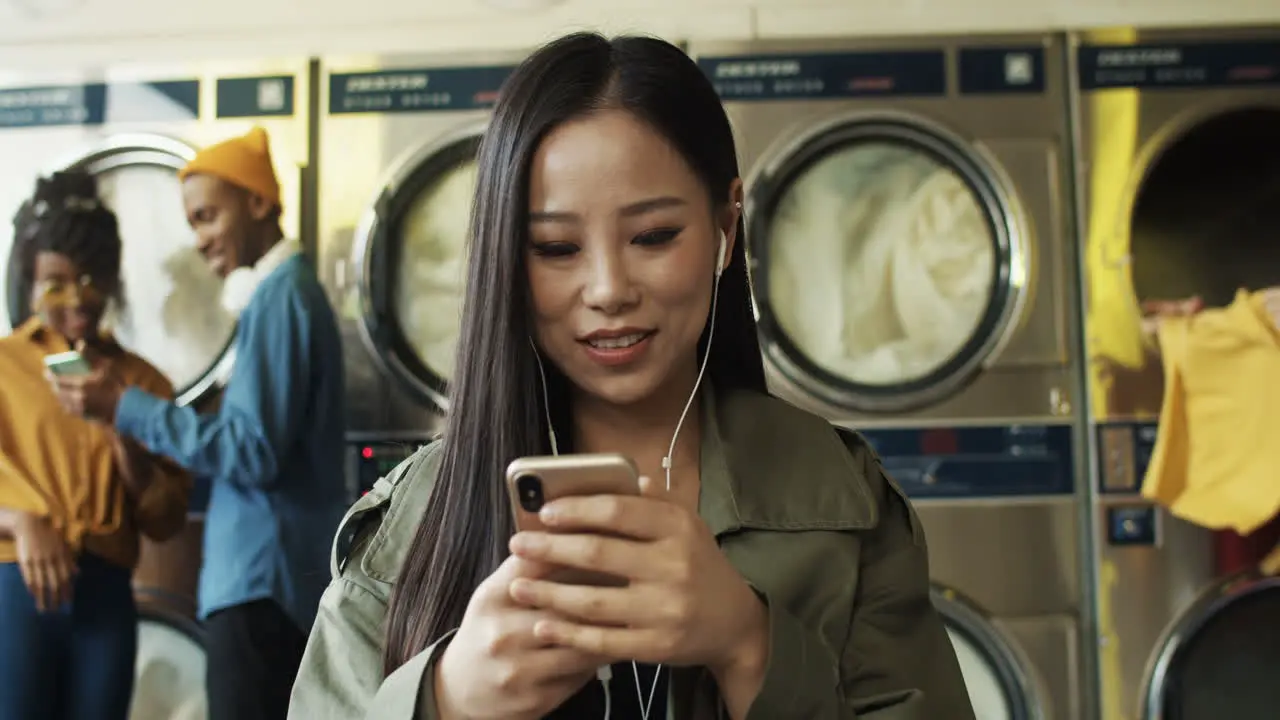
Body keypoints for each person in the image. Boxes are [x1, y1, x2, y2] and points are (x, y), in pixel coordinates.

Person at [288, 32, 975, 720]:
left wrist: (748, 647)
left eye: (653, 237)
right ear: (505, 259)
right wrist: (444, 699)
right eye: (557, 248)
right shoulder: (417, 517)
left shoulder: (839, 493)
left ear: (726, 226)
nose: (609, 289)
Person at [49, 128, 348, 720]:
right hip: (268, 580)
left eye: (209, 216)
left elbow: (252, 450)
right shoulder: (281, 298)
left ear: (259, 203)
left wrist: (125, 406)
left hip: (263, 581)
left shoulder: (281, 297)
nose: (201, 240)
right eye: (192, 224)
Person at [0, 170, 191, 720]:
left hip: (106, 597)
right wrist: (21, 522)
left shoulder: (145, 383)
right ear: (29, 283)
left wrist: (121, 429)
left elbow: (164, 520)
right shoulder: (6, 368)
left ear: (111, 280)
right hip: (15, 589)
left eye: (91, 279)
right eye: (55, 282)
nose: (76, 298)